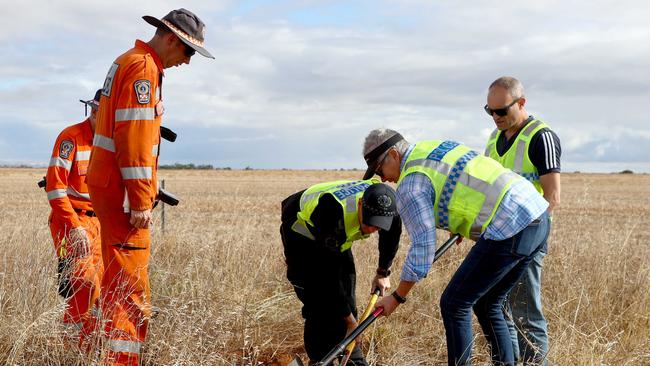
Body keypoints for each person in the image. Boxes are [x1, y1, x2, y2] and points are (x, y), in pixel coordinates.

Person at [86, 8, 214, 365]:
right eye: (188, 52)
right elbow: (137, 142)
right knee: (130, 286)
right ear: (172, 39)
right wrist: (142, 200)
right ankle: (122, 359)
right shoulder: (144, 69)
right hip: (123, 193)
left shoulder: (128, 60)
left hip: (108, 184)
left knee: (116, 276)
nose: (187, 63)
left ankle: (103, 351)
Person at [366, 129, 550, 366]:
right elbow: (461, 183)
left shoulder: (409, 185)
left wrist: (397, 297)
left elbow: (423, 246)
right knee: (488, 302)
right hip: (536, 213)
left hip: (510, 225)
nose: (382, 178)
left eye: (380, 169)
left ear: (393, 154)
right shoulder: (433, 146)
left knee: (454, 304)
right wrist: (460, 224)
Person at [280, 180, 401, 365]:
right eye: (370, 222)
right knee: (318, 301)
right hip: (301, 234)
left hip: (334, 237)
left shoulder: (388, 207)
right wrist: (351, 323)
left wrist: (383, 272)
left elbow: (391, 234)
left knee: (347, 293)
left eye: (379, 226)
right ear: (361, 204)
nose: (372, 229)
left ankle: (350, 354)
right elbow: (329, 277)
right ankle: (319, 359)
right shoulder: (331, 210)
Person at [484, 76, 561, 365]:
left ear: (521, 103)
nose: (495, 117)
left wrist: (528, 238)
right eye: (489, 111)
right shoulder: (493, 139)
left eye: (502, 111)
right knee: (500, 309)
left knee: (526, 313)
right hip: (497, 240)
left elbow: (552, 197)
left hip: (526, 241)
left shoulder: (541, 137)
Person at [45, 89, 103, 347]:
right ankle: (68, 349)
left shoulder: (110, 141)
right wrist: (74, 226)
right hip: (72, 222)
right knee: (84, 283)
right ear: (93, 109)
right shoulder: (71, 137)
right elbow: (55, 188)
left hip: (101, 223)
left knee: (102, 286)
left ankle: (89, 347)